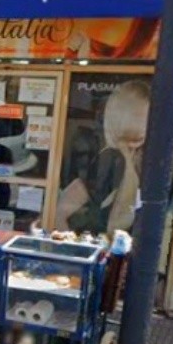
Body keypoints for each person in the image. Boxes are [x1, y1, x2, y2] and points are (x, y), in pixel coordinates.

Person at [57, 80, 150, 234]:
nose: (142, 125)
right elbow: (60, 213)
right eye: (137, 117)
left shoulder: (144, 160)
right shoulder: (108, 161)